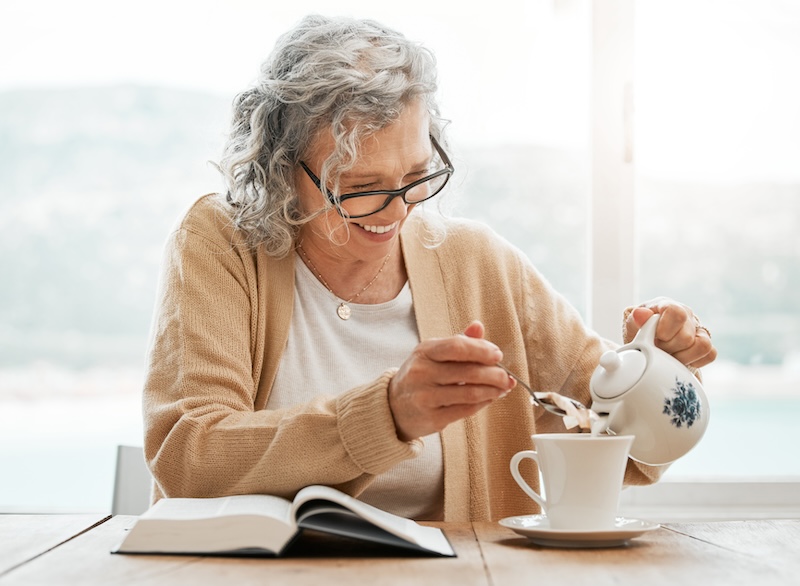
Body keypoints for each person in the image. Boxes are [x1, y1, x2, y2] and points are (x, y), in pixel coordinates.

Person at [142, 14, 717, 522]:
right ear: (279, 168)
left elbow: (626, 445)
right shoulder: (222, 242)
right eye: (361, 188)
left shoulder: (477, 262)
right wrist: (387, 414)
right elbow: (188, 455)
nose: (397, 211)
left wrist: (657, 373)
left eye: (416, 174)